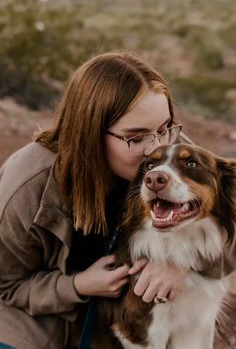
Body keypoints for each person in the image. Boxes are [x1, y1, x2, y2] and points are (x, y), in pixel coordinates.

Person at [0, 51, 226, 349]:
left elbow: (227, 221)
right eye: (136, 137)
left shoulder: (170, 152)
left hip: (126, 321)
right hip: (39, 326)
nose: (155, 150)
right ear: (90, 132)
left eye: (165, 128)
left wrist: (185, 261)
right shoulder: (27, 186)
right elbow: (7, 286)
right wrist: (77, 286)